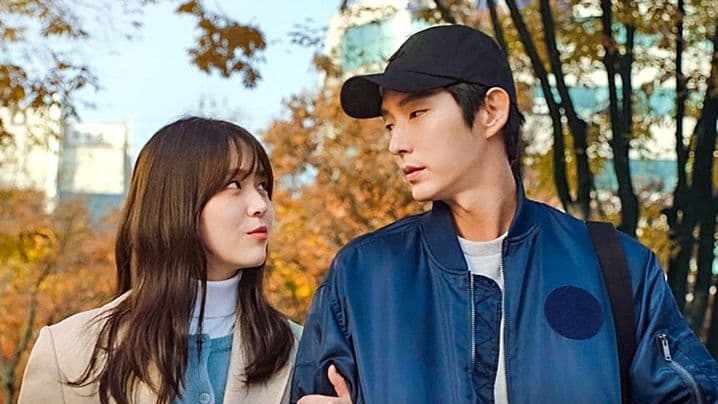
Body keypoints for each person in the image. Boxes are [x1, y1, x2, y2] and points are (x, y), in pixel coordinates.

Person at [291, 24, 718, 403]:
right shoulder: (362, 277)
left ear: (491, 112)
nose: (396, 144)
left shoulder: (617, 267)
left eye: (416, 114)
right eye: (390, 124)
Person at [18, 117, 302, 404]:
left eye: (262, 186)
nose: (261, 205)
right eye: (234, 184)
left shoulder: (300, 351)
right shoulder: (68, 352)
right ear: (176, 200)